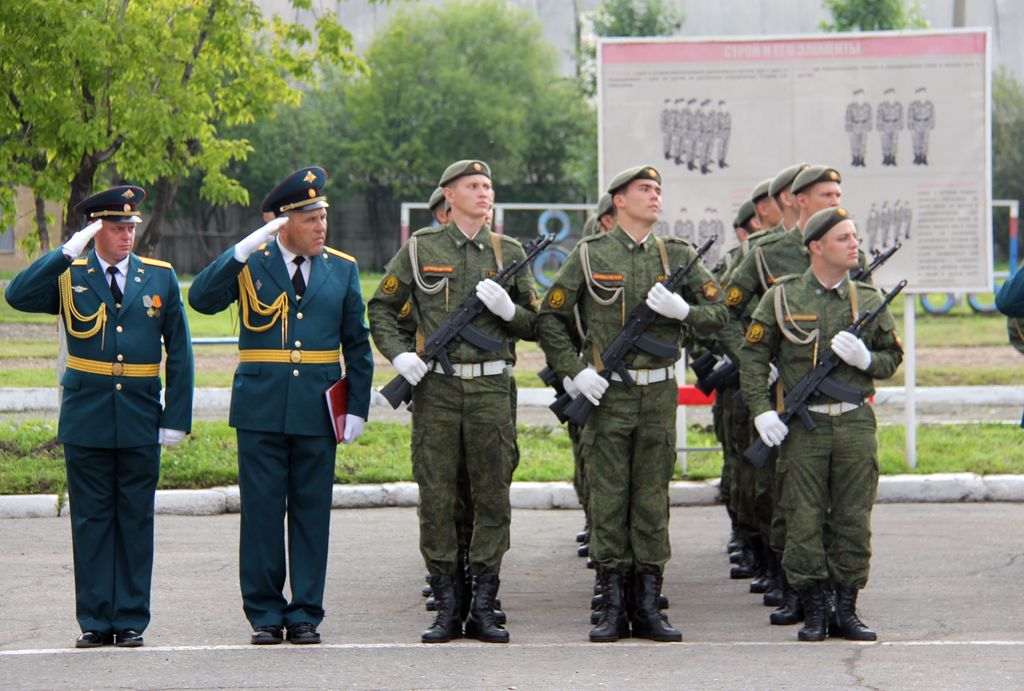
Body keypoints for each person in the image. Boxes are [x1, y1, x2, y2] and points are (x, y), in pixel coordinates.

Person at [538, 165, 727, 643]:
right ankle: (610, 603)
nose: (654, 196)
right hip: (607, 394)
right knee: (607, 498)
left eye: (658, 190)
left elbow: (721, 316)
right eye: (644, 189)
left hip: (658, 394)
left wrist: (684, 312)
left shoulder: (678, 255)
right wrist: (575, 372)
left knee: (650, 500)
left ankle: (647, 605)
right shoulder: (588, 255)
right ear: (618, 200)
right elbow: (551, 319)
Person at [188, 167, 373, 646]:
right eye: (310, 218)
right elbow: (201, 299)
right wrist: (241, 250)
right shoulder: (252, 262)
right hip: (261, 408)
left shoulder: (343, 267)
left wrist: (356, 406)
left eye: (323, 216)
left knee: (312, 514)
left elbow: (357, 343)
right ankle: (266, 613)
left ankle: (306, 611)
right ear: (283, 222)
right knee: (263, 514)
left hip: (317, 407)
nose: (321, 226)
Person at [5, 186, 194, 649]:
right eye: (116, 227)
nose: (128, 234)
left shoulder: (160, 278)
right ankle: (94, 619)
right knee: (90, 521)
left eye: (131, 226)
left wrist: (176, 416)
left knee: (134, 520)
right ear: (95, 231)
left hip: (138, 416)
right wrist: (65, 252)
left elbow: (181, 353)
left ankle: (129, 619)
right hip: (87, 417)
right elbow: (17, 294)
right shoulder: (71, 276)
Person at [368, 159, 539, 644]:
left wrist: (509, 311)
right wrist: (401, 356)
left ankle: (483, 603)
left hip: (490, 389)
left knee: (491, 496)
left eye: (488, 186)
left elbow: (539, 322)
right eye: (473, 185)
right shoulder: (421, 248)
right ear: (449, 194)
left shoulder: (510, 252)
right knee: (438, 496)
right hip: (437, 389)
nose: (484, 193)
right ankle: (448, 603)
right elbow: (381, 308)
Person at [739, 206, 903, 641]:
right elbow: (753, 357)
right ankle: (814, 609)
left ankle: (845, 609)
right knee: (802, 519)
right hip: (803, 427)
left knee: (853, 519)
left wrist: (866, 359)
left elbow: (892, 357)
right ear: (816, 247)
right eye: (844, 238)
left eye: (855, 236)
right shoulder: (782, 296)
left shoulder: (867, 299)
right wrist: (761, 410)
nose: (855, 245)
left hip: (853, 424)